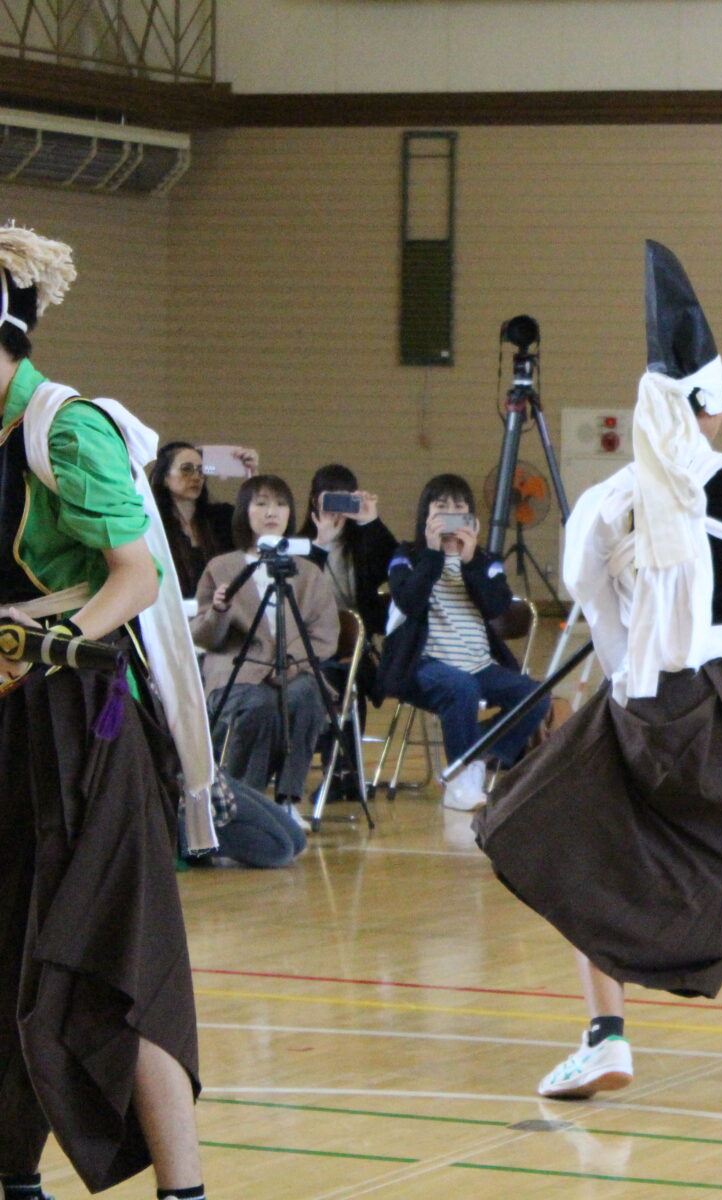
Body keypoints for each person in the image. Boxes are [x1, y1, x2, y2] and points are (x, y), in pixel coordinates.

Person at [475, 240, 722, 1097]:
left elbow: (597, 608)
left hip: (650, 704)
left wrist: (632, 688)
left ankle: (608, 1034)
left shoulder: (606, 501)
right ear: (714, 410)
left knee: (575, 835)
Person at [0, 226, 212, 1199]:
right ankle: (15, 1175)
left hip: (91, 717)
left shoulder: (61, 426)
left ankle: (184, 1191)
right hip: (13, 717)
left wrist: (41, 641)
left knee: (117, 958)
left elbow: (132, 574)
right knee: (12, 948)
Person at [380, 473, 547, 810]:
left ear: (471, 517)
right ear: (425, 515)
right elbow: (409, 602)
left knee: (536, 695)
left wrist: (470, 564)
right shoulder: (406, 555)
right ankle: (460, 780)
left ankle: (475, 756)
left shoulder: (485, 561)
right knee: (462, 687)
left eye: (459, 507)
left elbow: (497, 606)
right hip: (423, 665)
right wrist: (432, 555)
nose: (451, 513)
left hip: (480, 664)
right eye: (441, 507)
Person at [189, 474, 338, 823]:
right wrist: (220, 611)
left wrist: (294, 663)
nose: (272, 512)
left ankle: (287, 798)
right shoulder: (222, 567)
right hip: (237, 670)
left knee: (308, 696)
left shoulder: (308, 571)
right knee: (261, 707)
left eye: (280, 504)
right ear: (245, 512)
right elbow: (205, 638)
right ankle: (247, 801)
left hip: (295, 667)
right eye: (261, 503)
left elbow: (324, 634)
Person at [300, 463, 396, 644]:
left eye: (343, 499)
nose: (337, 508)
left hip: (359, 640)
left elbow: (395, 568)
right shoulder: (300, 544)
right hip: (312, 639)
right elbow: (301, 594)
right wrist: (320, 545)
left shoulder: (363, 540)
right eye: (331, 499)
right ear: (315, 501)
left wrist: (371, 523)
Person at [149, 440, 242, 598]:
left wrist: (249, 470)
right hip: (174, 611)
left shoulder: (222, 518)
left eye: (201, 470)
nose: (196, 477)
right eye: (186, 469)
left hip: (215, 613)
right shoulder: (153, 523)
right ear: (165, 477)